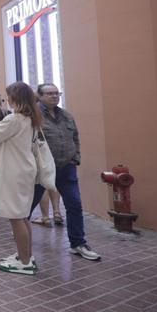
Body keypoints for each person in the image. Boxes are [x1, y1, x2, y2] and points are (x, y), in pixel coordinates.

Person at [0, 82, 43, 275]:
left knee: (16, 217)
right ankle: (26, 255)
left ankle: (24, 262)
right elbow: (6, 134)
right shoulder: (29, 118)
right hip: (24, 169)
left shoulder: (15, 119)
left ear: (15, 98)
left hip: (14, 171)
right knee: (22, 215)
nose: (7, 99)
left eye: (9, 96)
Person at [31, 83, 101, 261]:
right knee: (28, 204)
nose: (54, 96)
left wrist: (75, 158)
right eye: (49, 94)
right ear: (39, 96)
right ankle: (20, 236)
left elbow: (75, 137)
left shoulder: (66, 116)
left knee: (74, 204)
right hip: (43, 169)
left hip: (66, 168)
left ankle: (78, 243)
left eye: (56, 93)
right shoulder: (33, 116)